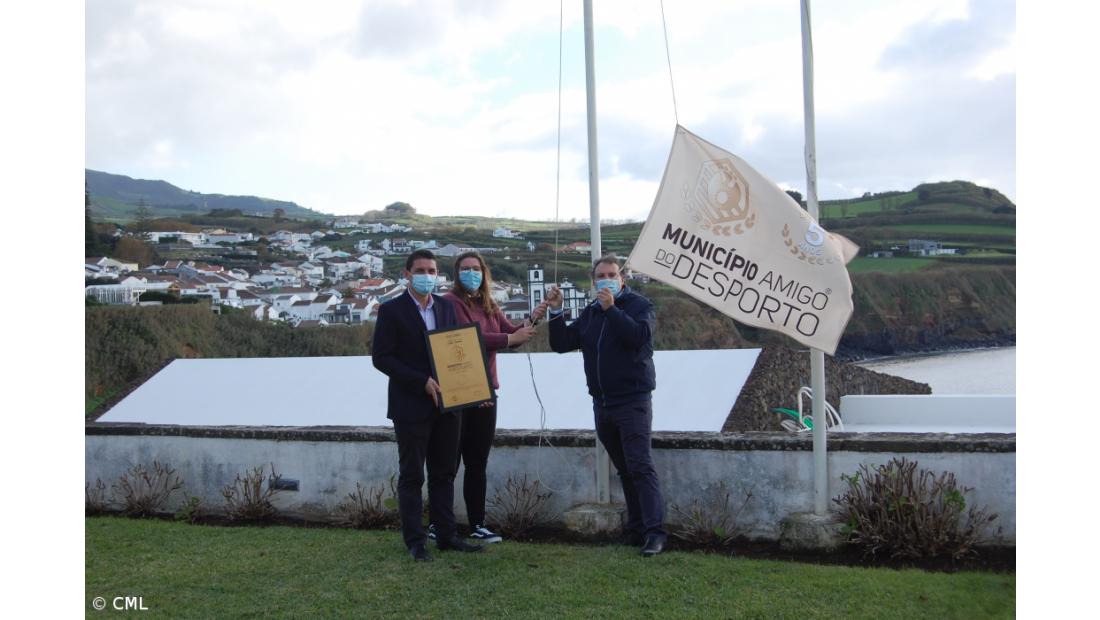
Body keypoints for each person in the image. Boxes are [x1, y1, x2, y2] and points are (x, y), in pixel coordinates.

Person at [533, 254, 668, 556]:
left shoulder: (640, 306)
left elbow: (638, 337)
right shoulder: (591, 312)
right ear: (593, 281)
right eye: (600, 276)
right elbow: (562, 343)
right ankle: (636, 531)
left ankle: (655, 533)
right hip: (602, 403)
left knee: (640, 466)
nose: (606, 280)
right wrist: (557, 312)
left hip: (632, 401)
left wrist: (612, 310)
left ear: (622, 279)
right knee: (624, 468)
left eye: (611, 274)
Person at [371, 249, 483, 562]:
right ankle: (416, 542)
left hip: (449, 405)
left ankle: (447, 536)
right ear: (407, 274)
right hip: (411, 405)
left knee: (444, 473)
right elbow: (381, 358)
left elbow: (458, 350)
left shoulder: (447, 307)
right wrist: (420, 381)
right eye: (420, 270)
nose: (426, 275)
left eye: (431, 270)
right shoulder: (392, 310)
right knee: (411, 477)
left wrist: (475, 386)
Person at [437, 251, 537, 545]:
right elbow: (466, 338)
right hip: (459, 391)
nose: (471, 273)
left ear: (484, 272)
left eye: (475, 268)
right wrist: (508, 340)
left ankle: (477, 523)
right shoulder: (449, 303)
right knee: (450, 462)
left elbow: (513, 333)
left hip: (487, 390)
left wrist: (539, 312)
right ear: (457, 273)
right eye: (465, 269)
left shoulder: (489, 304)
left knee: (477, 461)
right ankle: (439, 523)